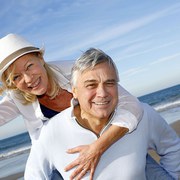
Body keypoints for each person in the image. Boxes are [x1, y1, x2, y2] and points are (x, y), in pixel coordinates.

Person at [0, 34, 143, 179]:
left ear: (40, 58)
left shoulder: (76, 71)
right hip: (66, 160)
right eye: (16, 77)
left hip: (109, 141)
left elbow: (131, 104)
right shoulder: (16, 96)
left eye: (29, 66)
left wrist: (98, 147)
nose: (28, 79)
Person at [24, 48, 180, 180]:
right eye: (91, 85)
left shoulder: (143, 115)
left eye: (109, 83)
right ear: (75, 91)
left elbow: (173, 148)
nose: (102, 93)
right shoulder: (50, 133)